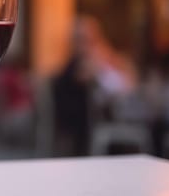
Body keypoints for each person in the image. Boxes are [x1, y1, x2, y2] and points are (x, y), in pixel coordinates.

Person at [52, 16, 137, 155]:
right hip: (78, 123)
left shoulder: (99, 61)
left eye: (89, 40)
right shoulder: (77, 66)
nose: (85, 44)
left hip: (96, 119)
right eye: (80, 39)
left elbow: (123, 86)